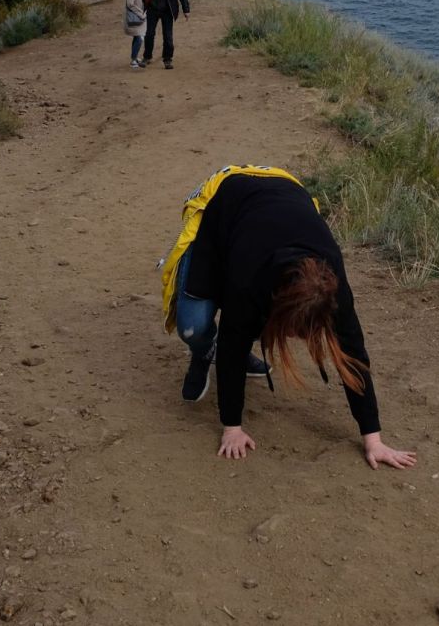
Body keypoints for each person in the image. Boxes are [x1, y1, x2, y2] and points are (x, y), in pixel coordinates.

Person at [160, 166, 419, 469]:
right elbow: (233, 341)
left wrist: (373, 439)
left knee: (253, 325)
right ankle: (204, 350)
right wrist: (232, 428)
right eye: (295, 330)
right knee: (193, 326)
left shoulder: (334, 286)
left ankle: (244, 346)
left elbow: (354, 354)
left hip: (284, 197)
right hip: (226, 203)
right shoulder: (248, 279)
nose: (297, 338)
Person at [139, 0, 190, 70]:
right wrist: (145, 4)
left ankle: (167, 59)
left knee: (167, 36)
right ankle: (147, 57)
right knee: (149, 34)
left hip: (167, 11)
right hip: (152, 9)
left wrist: (186, 10)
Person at [124, 0, 148, 67]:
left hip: (139, 15)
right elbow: (130, 3)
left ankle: (134, 57)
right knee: (140, 37)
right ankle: (133, 61)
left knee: (137, 37)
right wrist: (141, 13)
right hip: (135, 16)